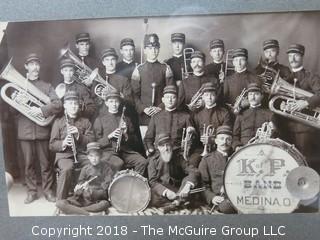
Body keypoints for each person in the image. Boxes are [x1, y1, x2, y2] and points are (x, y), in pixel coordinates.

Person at [14, 53, 62, 204]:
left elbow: (58, 105)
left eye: (37, 64)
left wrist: (41, 110)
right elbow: (11, 112)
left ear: (39, 67)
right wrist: (16, 102)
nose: (35, 67)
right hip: (25, 132)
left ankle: (48, 191)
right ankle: (32, 191)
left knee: (45, 164)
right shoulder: (18, 85)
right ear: (26, 67)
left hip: (42, 131)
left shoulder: (47, 86)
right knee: (28, 164)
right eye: (31, 64)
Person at [279, 44, 320, 171]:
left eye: (296, 55)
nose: (293, 58)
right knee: (288, 161)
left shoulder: (310, 76)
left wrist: (305, 103)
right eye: (290, 56)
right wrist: (281, 104)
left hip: (306, 128)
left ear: (302, 57)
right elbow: (278, 99)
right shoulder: (286, 78)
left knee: (306, 161)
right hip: (286, 127)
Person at [49, 91, 94, 200]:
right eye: (70, 103)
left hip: (82, 154)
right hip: (65, 155)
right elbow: (52, 145)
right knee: (67, 168)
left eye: (75, 103)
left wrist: (79, 135)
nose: (73, 106)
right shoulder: (58, 122)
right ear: (65, 106)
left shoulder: (86, 122)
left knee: (93, 166)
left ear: (79, 105)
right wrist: (63, 143)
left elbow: (92, 141)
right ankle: (61, 201)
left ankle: (88, 198)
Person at [93, 89, 148, 174]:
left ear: (119, 103)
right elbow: (96, 143)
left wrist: (126, 134)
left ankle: (132, 184)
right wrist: (109, 136)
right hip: (108, 152)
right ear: (106, 103)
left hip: (125, 151)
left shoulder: (126, 119)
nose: (114, 104)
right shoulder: (99, 119)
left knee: (142, 161)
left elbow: (135, 140)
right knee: (119, 163)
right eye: (111, 101)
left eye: (116, 101)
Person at [55, 142, 113, 215]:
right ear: (88, 157)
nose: (94, 159)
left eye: (96, 156)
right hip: (82, 200)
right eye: (91, 156)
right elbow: (80, 185)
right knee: (60, 203)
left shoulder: (106, 169)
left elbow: (105, 192)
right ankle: (88, 213)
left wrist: (92, 191)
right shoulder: (85, 169)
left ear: (100, 156)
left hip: (95, 200)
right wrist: (78, 189)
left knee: (104, 204)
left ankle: (77, 211)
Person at [131, 33, 174, 125]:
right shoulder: (138, 70)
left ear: (158, 49)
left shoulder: (166, 68)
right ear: (145, 50)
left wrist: (160, 107)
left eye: (155, 48)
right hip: (144, 116)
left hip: (162, 113)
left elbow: (171, 92)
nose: (153, 51)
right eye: (150, 48)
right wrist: (143, 109)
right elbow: (134, 95)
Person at [148, 133, 199, 208]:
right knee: (152, 197)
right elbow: (152, 181)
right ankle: (179, 202)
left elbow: (194, 171)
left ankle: (176, 202)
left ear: (171, 145)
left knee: (189, 181)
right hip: (164, 189)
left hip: (179, 189)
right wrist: (166, 192)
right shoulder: (153, 160)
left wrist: (187, 186)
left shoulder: (178, 157)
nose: (166, 149)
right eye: (162, 146)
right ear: (158, 148)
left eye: (167, 145)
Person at [144, 85, 195, 158]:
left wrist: (192, 132)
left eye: (173, 97)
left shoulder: (186, 116)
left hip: (178, 154)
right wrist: (150, 149)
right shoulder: (156, 117)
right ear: (163, 100)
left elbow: (192, 139)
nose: (170, 100)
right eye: (167, 97)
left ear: (177, 99)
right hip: (159, 154)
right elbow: (148, 138)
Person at [198, 125, 236, 214]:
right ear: (216, 141)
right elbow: (203, 185)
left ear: (231, 142)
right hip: (220, 199)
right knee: (226, 207)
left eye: (228, 139)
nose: (224, 142)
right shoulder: (207, 159)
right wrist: (212, 197)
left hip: (236, 197)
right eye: (221, 139)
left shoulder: (237, 157)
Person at [192, 82, 232, 163]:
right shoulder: (197, 115)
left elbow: (226, 135)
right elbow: (196, 138)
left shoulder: (224, 113)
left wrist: (213, 140)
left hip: (220, 148)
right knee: (193, 161)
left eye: (212, 95)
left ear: (216, 96)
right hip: (201, 148)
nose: (209, 98)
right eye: (206, 95)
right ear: (202, 97)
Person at [232, 83, 274, 150]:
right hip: (243, 149)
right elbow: (235, 136)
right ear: (248, 97)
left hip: (263, 149)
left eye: (256, 94)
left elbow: (275, 136)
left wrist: (273, 130)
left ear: (262, 96)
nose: (253, 97)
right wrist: (237, 146)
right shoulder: (241, 115)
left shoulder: (269, 114)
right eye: (250, 94)